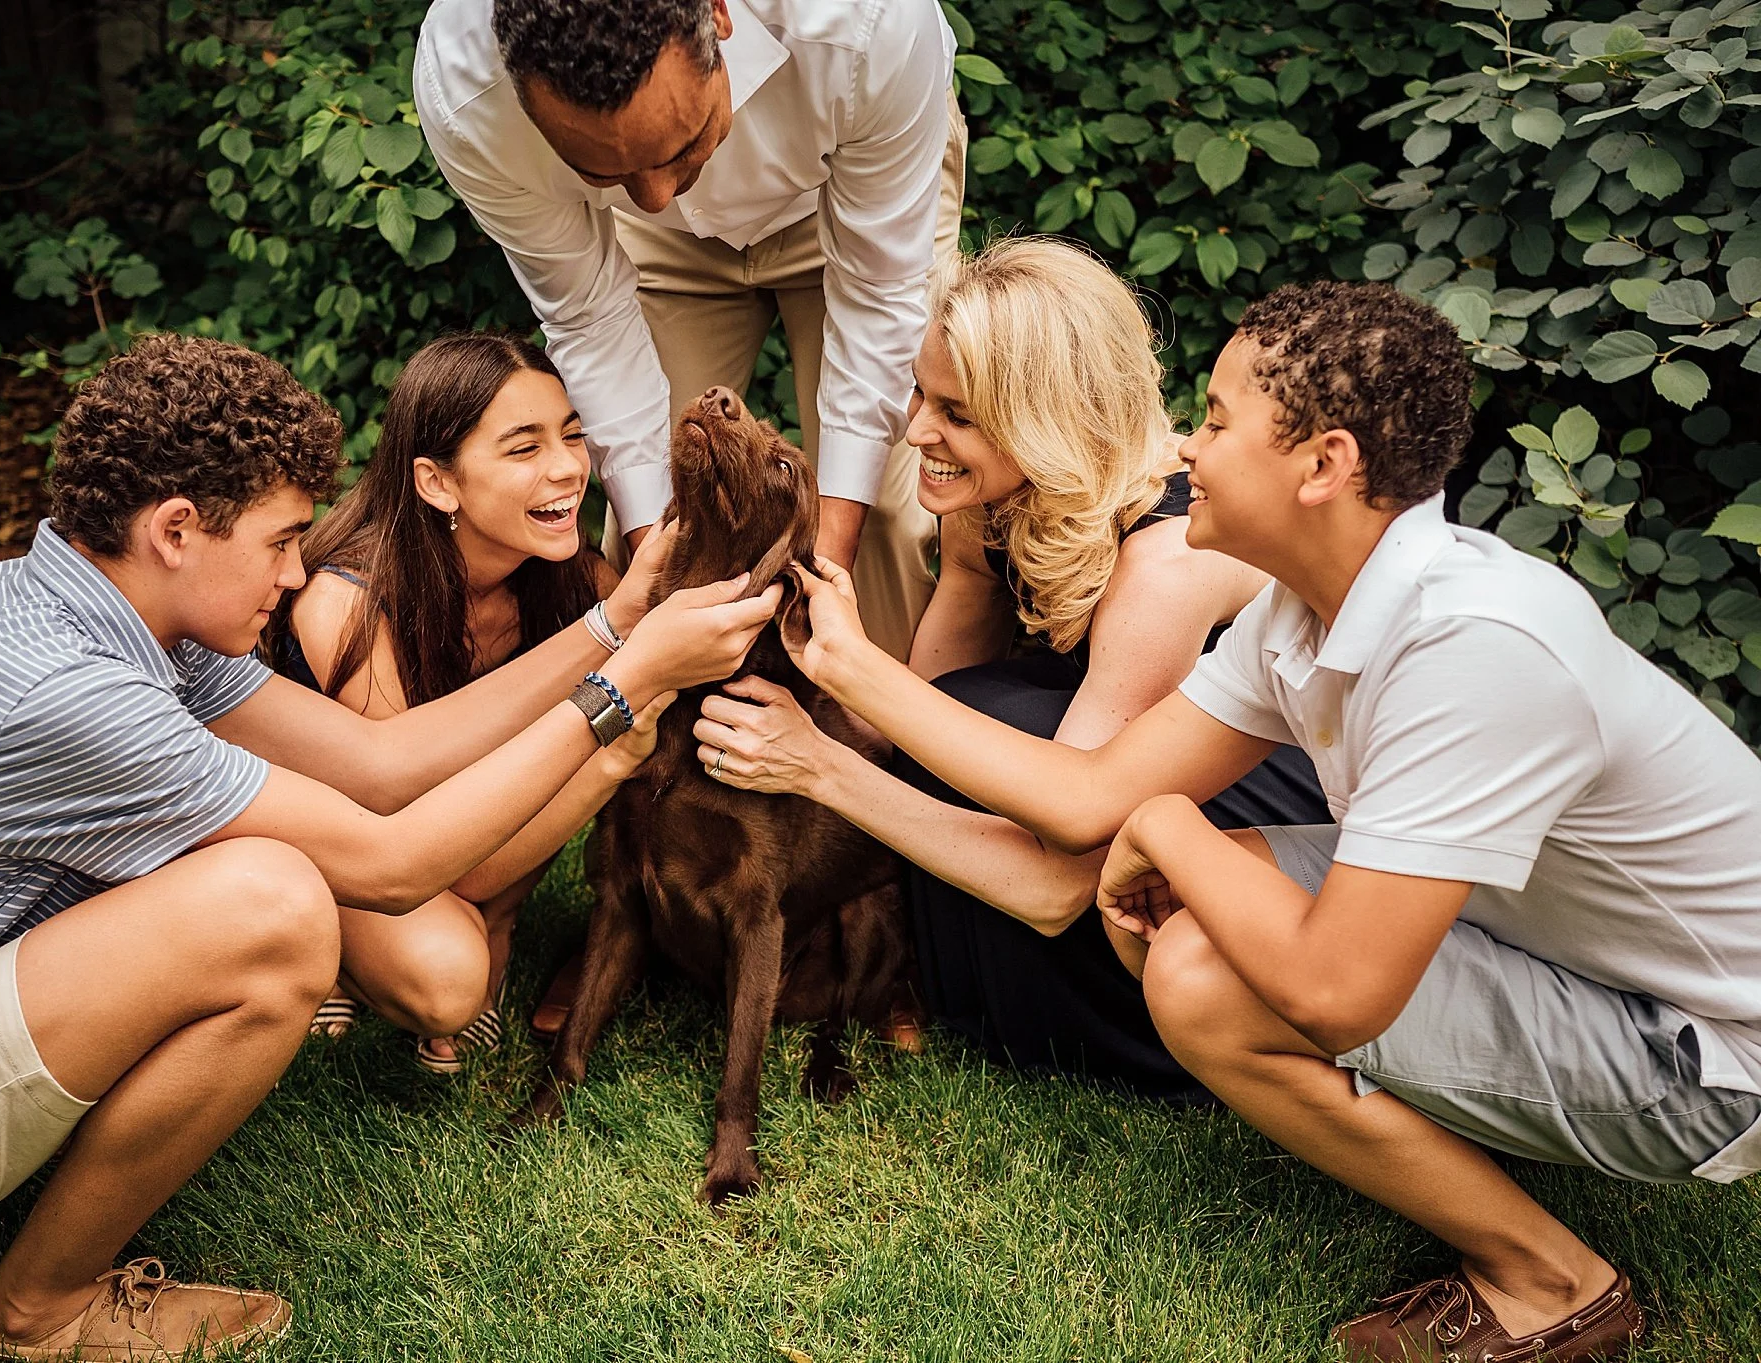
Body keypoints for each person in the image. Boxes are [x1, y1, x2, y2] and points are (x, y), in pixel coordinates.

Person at [707, 281, 1761, 1360]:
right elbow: (1082, 798)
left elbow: (1331, 989)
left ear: (1322, 466)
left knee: (1206, 969)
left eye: (1212, 422)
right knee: (1198, 931)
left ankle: (1555, 1282)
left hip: (1702, 1053)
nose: (1182, 448)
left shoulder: (1472, 647)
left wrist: (1163, 826)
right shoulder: (1302, 610)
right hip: (1544, 948)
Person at [0, 334, 780, 1361]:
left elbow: (382, 763)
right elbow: (398, 858)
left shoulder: (90, 608)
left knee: (260, 878)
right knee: (270, 909)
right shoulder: (63, 694)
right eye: (277, 542)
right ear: (176, 529)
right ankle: (28, 1317)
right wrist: (628, 688)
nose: (293, 571)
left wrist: (615, 624)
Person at [691, 236, 1326, 1098]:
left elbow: (1056, 879)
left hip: (1247, 811)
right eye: (920, 391)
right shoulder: (987, 498)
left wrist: (819, 763)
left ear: (1045, 420)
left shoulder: (1167, 559)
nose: (917, 431)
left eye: (956, 413)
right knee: (966, 714)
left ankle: (1114, 1023)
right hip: (1097, 791)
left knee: (1005, 725)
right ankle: (940, 976)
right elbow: (917, 721)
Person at [415, 0, 966, 660]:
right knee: (653, 519)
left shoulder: (869, 20)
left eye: (678, 144)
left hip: (847, 184)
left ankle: (893, 751)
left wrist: (825, 571)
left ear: (718, 16)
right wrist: (664, 586)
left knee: (895, 522)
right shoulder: (467, 95)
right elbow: (590, 319)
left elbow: (879, 295)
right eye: (600, 168)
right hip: (658, 254)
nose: (652, 196)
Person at [266, 332, 626, 1068]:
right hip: (354, 850)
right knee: (446, 980)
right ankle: (337, 948)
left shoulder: (575, 583)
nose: (566, 468)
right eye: (523, 449)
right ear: (437, 482)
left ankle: (491, 925)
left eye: (573, 436)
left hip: (447, 856)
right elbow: (439, 854)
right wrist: (615, 750)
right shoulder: (349, 604)